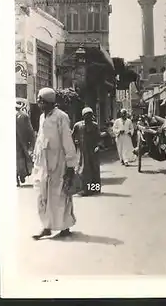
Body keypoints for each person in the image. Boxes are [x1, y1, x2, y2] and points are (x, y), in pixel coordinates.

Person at [32, 87, 78, 240]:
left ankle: (65, 227)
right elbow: (40, 138)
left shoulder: (61, 117)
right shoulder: (41, 117)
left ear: (50, 102)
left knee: (60, 195)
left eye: (41, 100)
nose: (39, 103)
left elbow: (67, 141)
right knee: (42, 195)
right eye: (39, 99)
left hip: (59, 162)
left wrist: (71, 165)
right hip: (43, 163)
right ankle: (47, 226)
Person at [72, 107, 103, 196]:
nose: (88, 117)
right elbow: (72, 136)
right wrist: (74, 145)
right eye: (86, 115)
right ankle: (84, 190)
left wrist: (98, 146)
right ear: (83, 116)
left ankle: (95, 189)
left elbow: (99, 137)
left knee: (94, 169)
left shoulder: (95, 125)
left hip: (93, 151)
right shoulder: (78, 125)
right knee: (83, 170)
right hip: (82, 151)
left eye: (90, 115)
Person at [16, 102, 35, 186]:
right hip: (21, 142)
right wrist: (32, 141)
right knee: (22, 159)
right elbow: (30, 130)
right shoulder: (24, 116)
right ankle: (21, 175)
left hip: (18, 142)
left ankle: (19, 176)